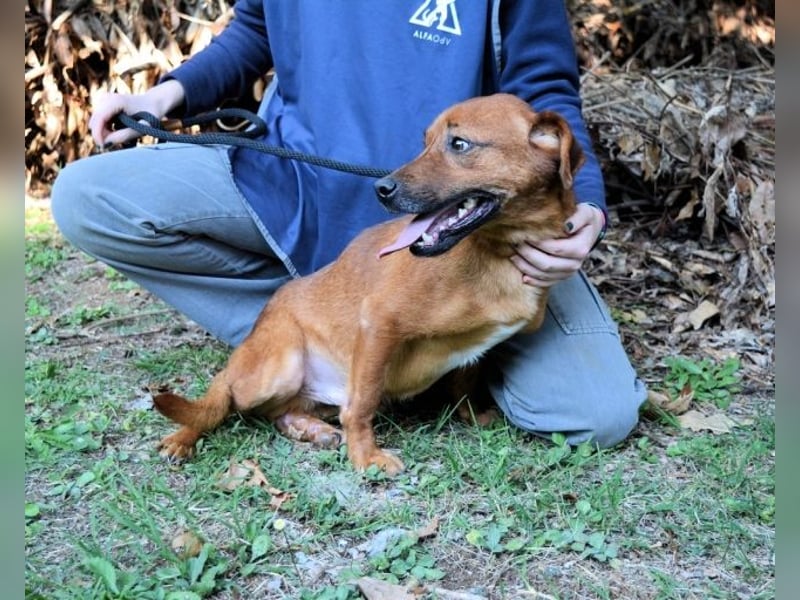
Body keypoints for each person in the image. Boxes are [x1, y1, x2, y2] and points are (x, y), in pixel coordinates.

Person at [51, 0, 647, 448]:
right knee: (88, 195)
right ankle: (326, 328)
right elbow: (255, 32)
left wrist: (583, 210)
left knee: (598, 415)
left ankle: (411, 342)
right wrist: (166, 95)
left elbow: (546, 92)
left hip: (468, 226)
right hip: (297, 192)